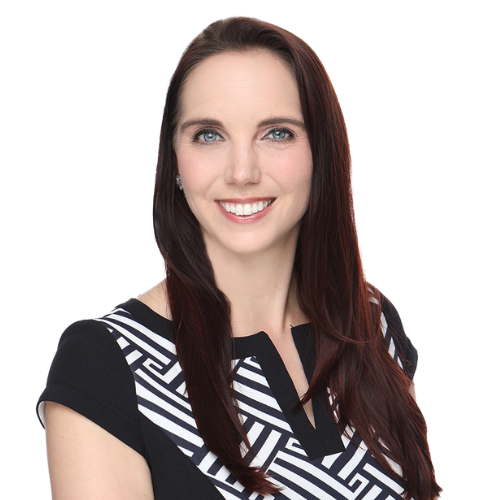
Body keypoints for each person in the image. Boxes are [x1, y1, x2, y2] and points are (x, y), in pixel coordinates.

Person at [36, 15, 443, 500]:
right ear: (176, 163)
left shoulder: (371, 322)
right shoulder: (105, 362)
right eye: (209, 134)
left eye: (277, 133)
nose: (242, 171)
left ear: (322, 153)